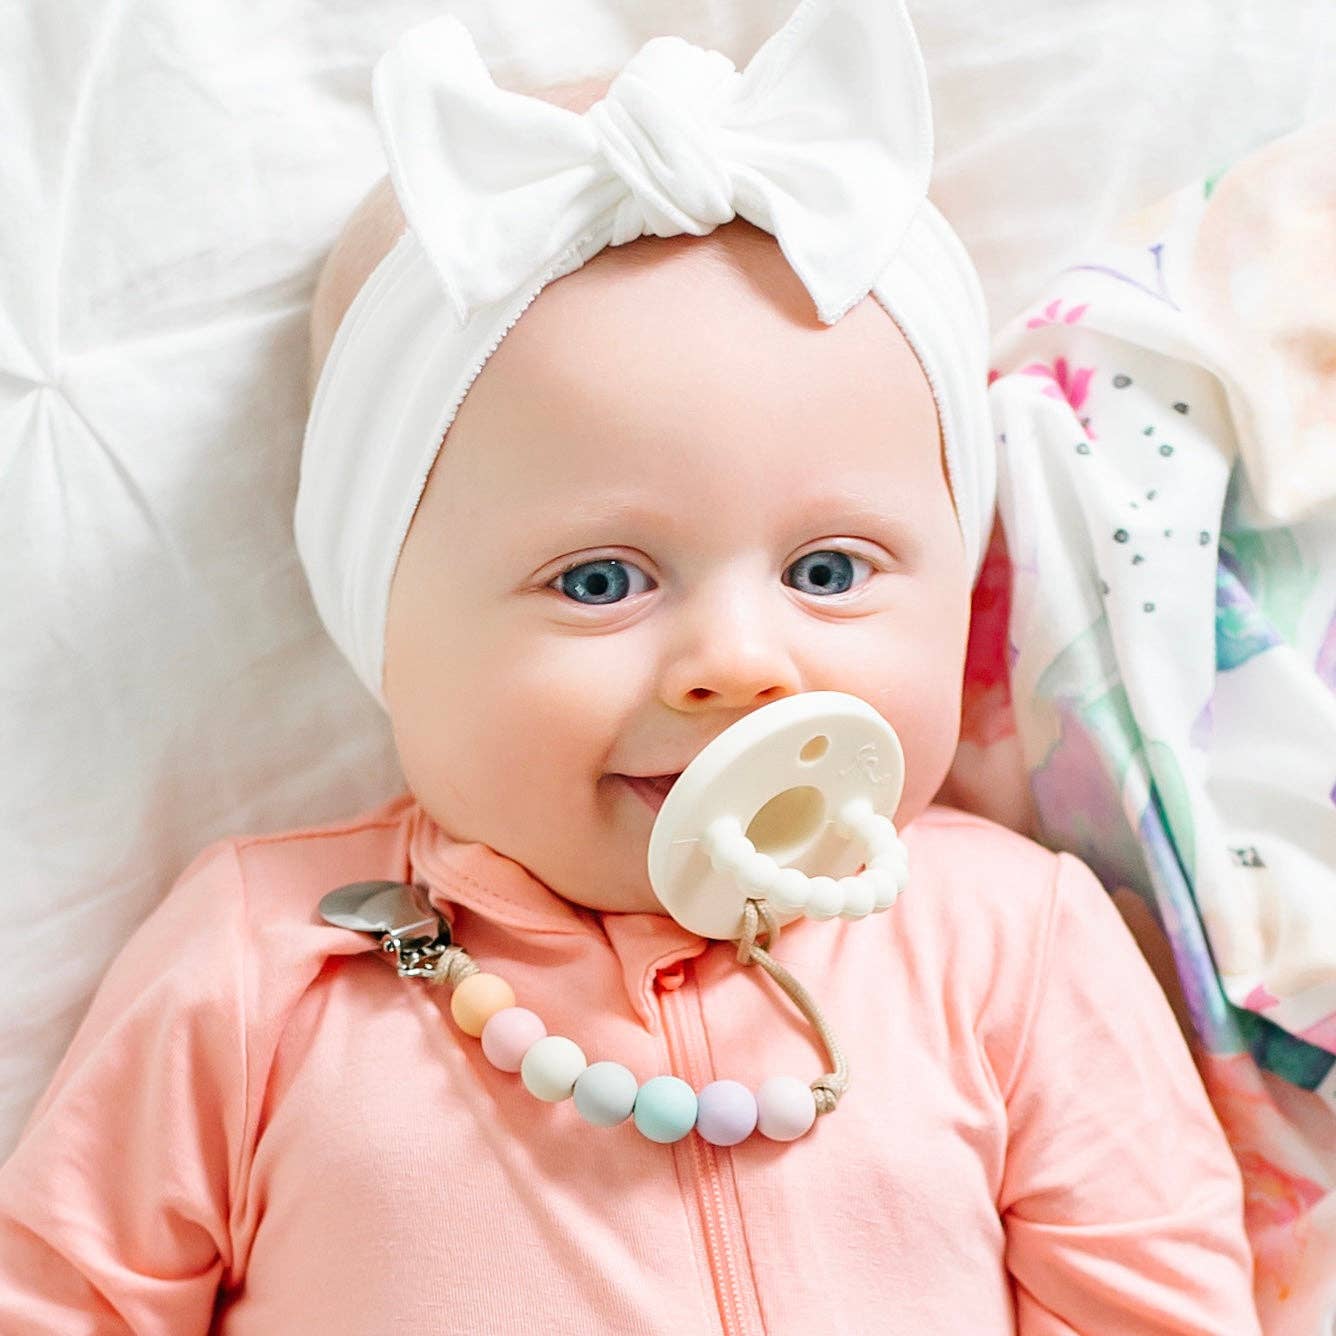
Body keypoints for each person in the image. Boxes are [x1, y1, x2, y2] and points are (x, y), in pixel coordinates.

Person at [0, 1, 1259, 1330]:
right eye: (600, 581)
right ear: (383, 622)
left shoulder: (1012, 943)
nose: (739, 663)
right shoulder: (268, 960)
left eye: (829, 572)